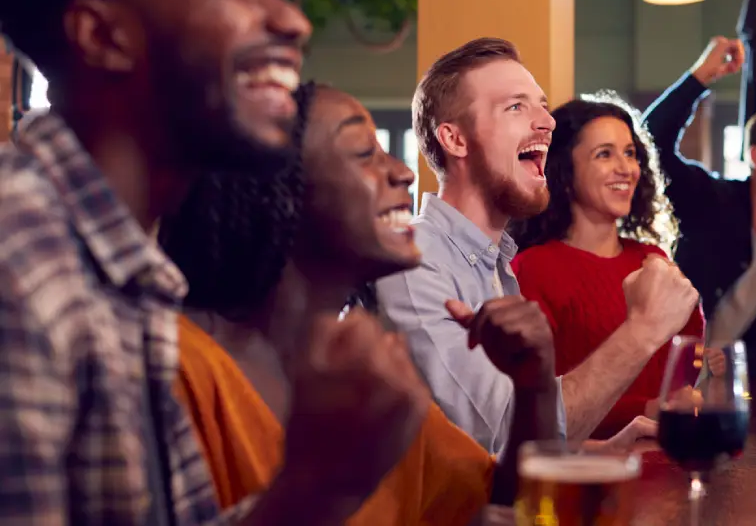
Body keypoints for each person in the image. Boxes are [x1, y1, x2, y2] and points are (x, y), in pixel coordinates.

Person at [0, 0, 428, 523]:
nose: (293, 20)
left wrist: (322, 483)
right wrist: (317, 483)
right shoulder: (18, 262)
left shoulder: (129, 271)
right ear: (104, 37)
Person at [158, 82, 575, 523]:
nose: (404, 172)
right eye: (363, 153)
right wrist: (325, 481)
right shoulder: (180, 369)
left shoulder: (364, 379)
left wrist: (534, 389)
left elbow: (507, 504)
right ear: (276, 191)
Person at [375, 37, 701, 453]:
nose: (547, 121)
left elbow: (520, 439)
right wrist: (643, 330)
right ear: (455, 140)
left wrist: (599, 451)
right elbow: (494, 436)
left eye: (542, 106)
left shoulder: (496, 264)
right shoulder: (414, 259)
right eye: (516, 107)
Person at [508, 92, 706, 439]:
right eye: (604, 154)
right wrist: (643, 409)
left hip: (665, 454)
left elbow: (688, 356)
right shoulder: (532, 269)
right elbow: (531, 406)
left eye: (630, 153)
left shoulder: (653, 259)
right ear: (564, 172)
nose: (626, 168)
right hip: (583, 462)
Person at [642, 37, 756, 383]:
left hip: (736, 395)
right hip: (662, 376)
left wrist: (739, 363)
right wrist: (700, 77)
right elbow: (650, 144)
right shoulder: (711, 199)